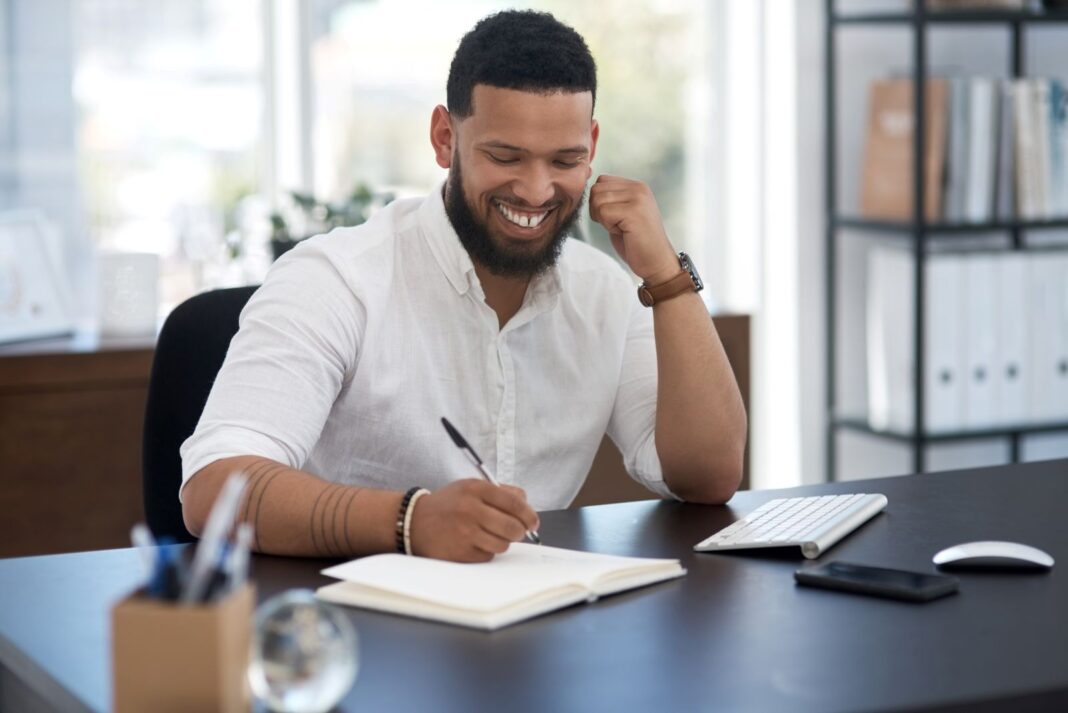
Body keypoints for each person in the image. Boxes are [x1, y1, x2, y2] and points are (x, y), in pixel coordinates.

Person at [180, 10, 746, 563]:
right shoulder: (336, 278)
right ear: (444, 138)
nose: (535, 189)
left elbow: (706, 477)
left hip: (530, 626)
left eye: (565, 160)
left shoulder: (604, 293)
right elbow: (214, 492)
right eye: (505, 156)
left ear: (592, 147)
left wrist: (667, 278)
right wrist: (410, 522)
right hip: (346, 628)